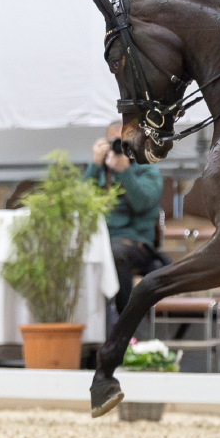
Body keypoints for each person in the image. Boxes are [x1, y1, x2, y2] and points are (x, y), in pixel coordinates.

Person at [85, 122, 168, 314]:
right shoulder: (98, 171)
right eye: (114, 142)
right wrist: (93, 166)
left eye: (124, 143)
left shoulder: (147, 170)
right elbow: (76, 201)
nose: (119, 148)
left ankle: (123, 321)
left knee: (116, 252)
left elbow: (141, 203)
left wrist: (125, 173)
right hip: (99, 240)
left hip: (136, 243)